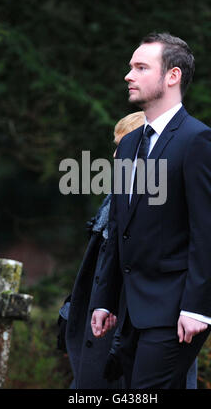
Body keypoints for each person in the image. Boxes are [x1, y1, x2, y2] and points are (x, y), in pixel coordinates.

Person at [91, 32, 211, 389]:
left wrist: (197, 307)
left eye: (140, 67)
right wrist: (104, 300)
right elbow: (120, 226)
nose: (128, 75)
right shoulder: (131, 143)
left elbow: (208, 232)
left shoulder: (199, 141)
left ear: (173, 76)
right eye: (130, 67)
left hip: (177, 309)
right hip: (132, 312)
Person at [57, 112, 144, 389]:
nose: (117, 154)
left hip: (126, 329)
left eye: (124, 146)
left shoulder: (155, 200)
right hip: (100, 325)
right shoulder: (115, 197)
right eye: (116, 146)